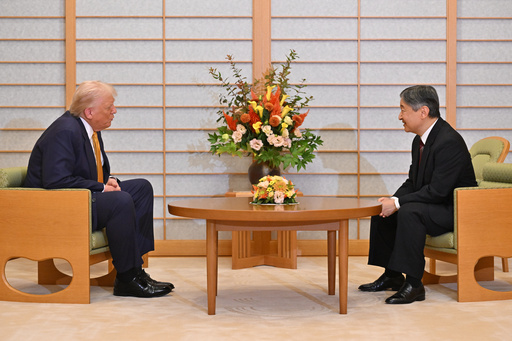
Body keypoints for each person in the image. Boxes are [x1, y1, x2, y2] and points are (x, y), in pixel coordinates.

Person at [24, 80, 174, 298]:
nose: (114, 111)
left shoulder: (89, 129)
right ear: (89, 111)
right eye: (108, 107)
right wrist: (101, 187)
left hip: (81, 199)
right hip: (56, 208)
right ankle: (126, 278)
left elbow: (85, 170)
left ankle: (135, 271)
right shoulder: (64, 131)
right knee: (120, 200)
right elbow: (56, 181)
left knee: (141, 188)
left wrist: (107, 181)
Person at [359, 85, 477, 304]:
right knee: (385, 209)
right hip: (435, 203)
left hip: (454, 208)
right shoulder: (420, 140)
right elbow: (413, 182)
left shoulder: (449, 140)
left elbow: (438, 191)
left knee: (409, 212)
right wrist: (391, 201)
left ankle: (414, 284)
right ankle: (393, 275)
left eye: (403, 109)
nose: (399, 116)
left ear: (423, 112)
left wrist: (398, 203)